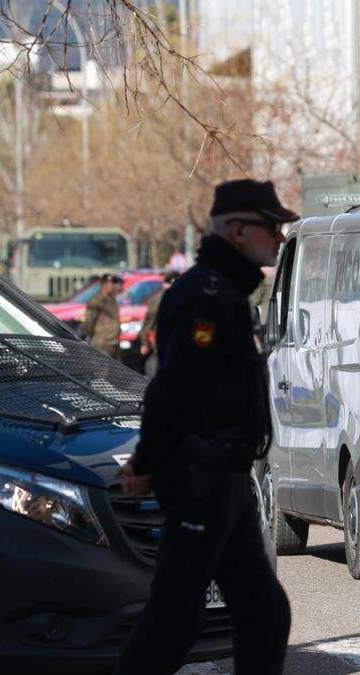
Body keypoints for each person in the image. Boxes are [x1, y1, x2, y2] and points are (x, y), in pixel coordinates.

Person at [114, 179, 296, 675]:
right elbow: (173, 390)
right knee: (176, 618)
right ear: (237, 230)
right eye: (271, 227)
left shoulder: (227, 292)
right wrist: (145, 462)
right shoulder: (204, 295)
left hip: (226, 477)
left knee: (264, 611)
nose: (279, 237)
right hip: (202, 477)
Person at [140, 270, 180, 378]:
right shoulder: (159, 300)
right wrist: (144, 342)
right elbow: (149, 322)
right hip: (163, 343)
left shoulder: (183, 298)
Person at [83, 273, 122, 361]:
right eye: (112, 283)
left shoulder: (112, 300)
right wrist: (91, 336)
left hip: (114, 343)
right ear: (104, 284)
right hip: (101, 343)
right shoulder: (96, 301)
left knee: (117, 369)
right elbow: (89, 321)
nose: (114, 286)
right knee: (101, 368)